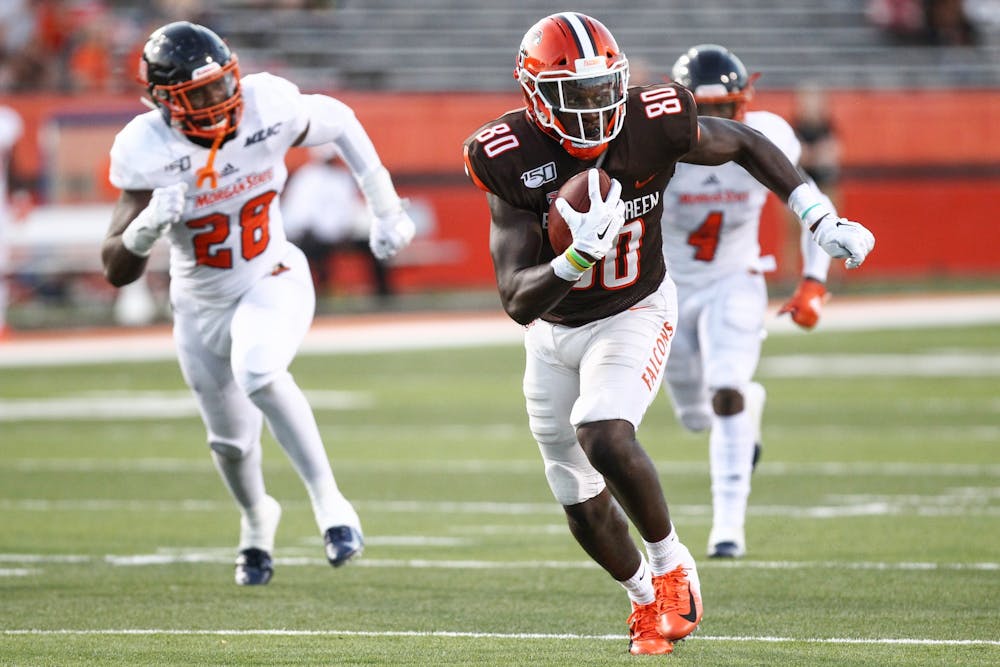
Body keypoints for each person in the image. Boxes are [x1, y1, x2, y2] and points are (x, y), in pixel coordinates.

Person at [462, 12, 874, 656]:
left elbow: (742, 141)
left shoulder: (651, 120)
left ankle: (672, 561)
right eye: (580, 95)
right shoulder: (508, 155)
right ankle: (645, 603)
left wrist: (817, 216)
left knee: (601, 428)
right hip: (552, 328)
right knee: (573, 490)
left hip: (636, 308)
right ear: (536, 94)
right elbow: (516, 298)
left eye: (607, 89)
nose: (598, 108)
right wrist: (573, 260)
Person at [101, 21, 415, 586]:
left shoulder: (265, 107)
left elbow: (340, 120)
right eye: (199, 95)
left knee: (260, 370)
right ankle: (255, 522)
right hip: (198, 305)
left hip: (271, 274)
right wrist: (145, 230)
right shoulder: (145, 149)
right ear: (163, 102)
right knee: (229, 442)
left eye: (222, 86)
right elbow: (114, 269)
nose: (218, 102)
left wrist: (386, 207)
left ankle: (331, 506)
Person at [660, 44, 836, 560]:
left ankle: (728, 529)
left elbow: (809, 201)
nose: (715, 124)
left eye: (725, 109)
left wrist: (813, 282)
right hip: (666, 289)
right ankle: (743, 407)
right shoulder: (654, 145)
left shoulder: (771, 135)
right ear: (681, 107)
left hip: (734, 278)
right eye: (704, 110)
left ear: (745, 103)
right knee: (695, 416)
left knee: (726, 391)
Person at [281, 144, 393, 299]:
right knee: (311, 250)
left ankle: (384, 294)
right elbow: (299, 213)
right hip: (314, 236)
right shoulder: (306, 177)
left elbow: (350, 208)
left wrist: (347, 228)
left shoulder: (342, 177)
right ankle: (319, 292)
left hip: (342, 233)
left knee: (376, 246)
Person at [0, 104, 24, 340]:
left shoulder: (6, 119)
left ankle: (0, 322)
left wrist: (18, 196)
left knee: (2, 267)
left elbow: (13, 165)